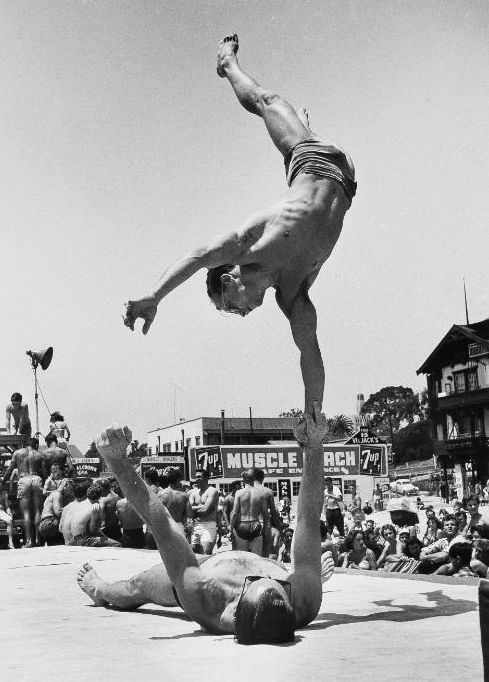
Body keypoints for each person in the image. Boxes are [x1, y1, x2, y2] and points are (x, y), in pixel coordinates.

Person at [123, 35, 356, 417]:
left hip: (309, 158)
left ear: (230, 279)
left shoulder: (245, 246)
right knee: (291, 125)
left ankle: (227, 63)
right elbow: (309, 350)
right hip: (345, 177)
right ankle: (306, 125)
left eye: (229, 307)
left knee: (267, 102)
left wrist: (154, 296)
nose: (241, 314)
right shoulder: (291, 293)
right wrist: (314, 413)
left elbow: (198, 256)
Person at [77, 406, 335, 644]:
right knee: (306, 576)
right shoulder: (303, 600)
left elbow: (162, 523)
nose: (268, 578)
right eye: (276, 584)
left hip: (201, 570)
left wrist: (117, 461)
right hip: (239, 566)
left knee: (139, 586)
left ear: (234, 609)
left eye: (257, 581)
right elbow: (308, 518)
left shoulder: (207, 600)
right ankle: (310, 574)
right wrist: (314, 447)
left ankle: (99, 589)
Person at [3, 437, 47, 547]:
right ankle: (37, 538)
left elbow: (10, 469)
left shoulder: (17, 453)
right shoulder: (39, 454)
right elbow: (45, 473)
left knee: (26, 512)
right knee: (38, 510)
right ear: (36, 445)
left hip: (24, 479)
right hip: (36, 479)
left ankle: (28, 541)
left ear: (24, 444)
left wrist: (4, 480)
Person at [59, 479, 120, 547]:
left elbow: (60, 528)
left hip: (69, 540)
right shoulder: (94, 507)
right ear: (99, 497)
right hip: (81, 539)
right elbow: (93, 530)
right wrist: (105, 537)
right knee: (117, 544)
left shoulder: (75, 505)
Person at [230, 469, 269, 556]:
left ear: (243, 480)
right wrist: (265, 528)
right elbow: (266, 514)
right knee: (257, 557)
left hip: (242, 526)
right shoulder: (261, 493)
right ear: (254, 479)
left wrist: (231, 528)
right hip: (256, 525)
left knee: (243, 557)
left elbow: (234, 513)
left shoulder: (239, 493)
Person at [252, 467, 282, 558]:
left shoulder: (245, 491)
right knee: (265, 554)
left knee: (252, 554)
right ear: (263, 478)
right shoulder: (268, 491)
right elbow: (273, 513)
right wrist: (279, 528)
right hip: (264, 524)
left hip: (250, 524)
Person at [188, 469, 219, 555]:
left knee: (206, 554)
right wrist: (201, 506)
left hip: (208, 526)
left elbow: (205, 510)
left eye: (199, 477)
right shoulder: (193, 492)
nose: (196, 479)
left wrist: (194, 509)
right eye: (196, 477)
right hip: (195, 526)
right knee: (195, 556)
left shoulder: (212, 491)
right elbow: (188, 509)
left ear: (206, 478)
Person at [156, 468, 192, 537]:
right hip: (178, 527)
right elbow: (189, 517)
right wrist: (189, 533)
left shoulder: (160, 494)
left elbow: (157, 513)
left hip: (165, 526)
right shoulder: (184, 496)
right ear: (178, 480)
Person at [39, 478, 74, 546]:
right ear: (65, 486)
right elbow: (58, 512)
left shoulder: (61, 495)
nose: (70, 491)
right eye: (70, 489)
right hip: (48, 523)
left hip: (49, 524)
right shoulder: (57, 494)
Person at [222, 480, 242, 550]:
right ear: (233, 488)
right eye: (238, 488)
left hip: (242, 523)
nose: (240, 490)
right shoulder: (228, 499)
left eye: (240, 488)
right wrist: (228, 525)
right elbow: (224, 512)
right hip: (233, 524)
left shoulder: (241, 497)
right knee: (235, 543)